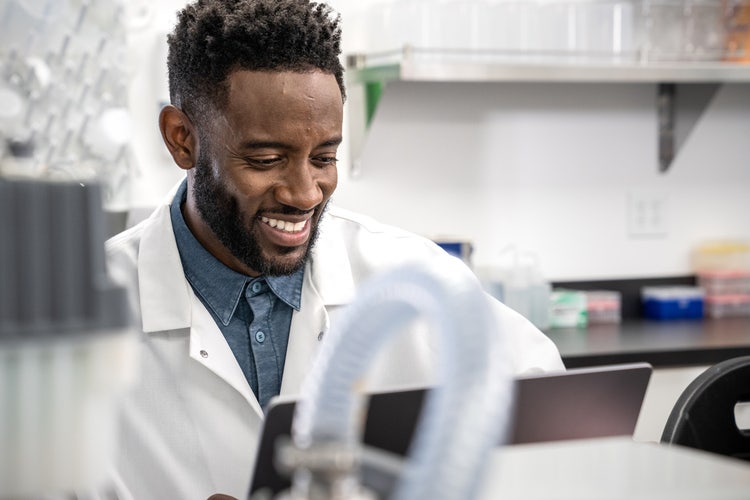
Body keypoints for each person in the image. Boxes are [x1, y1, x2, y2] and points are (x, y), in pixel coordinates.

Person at [105, 0, 565, 498]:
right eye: (266, 158)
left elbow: (553, 411)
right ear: (182, 139)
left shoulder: (412, 278)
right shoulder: (77, 310)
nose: (305, 193)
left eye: (324, 157)